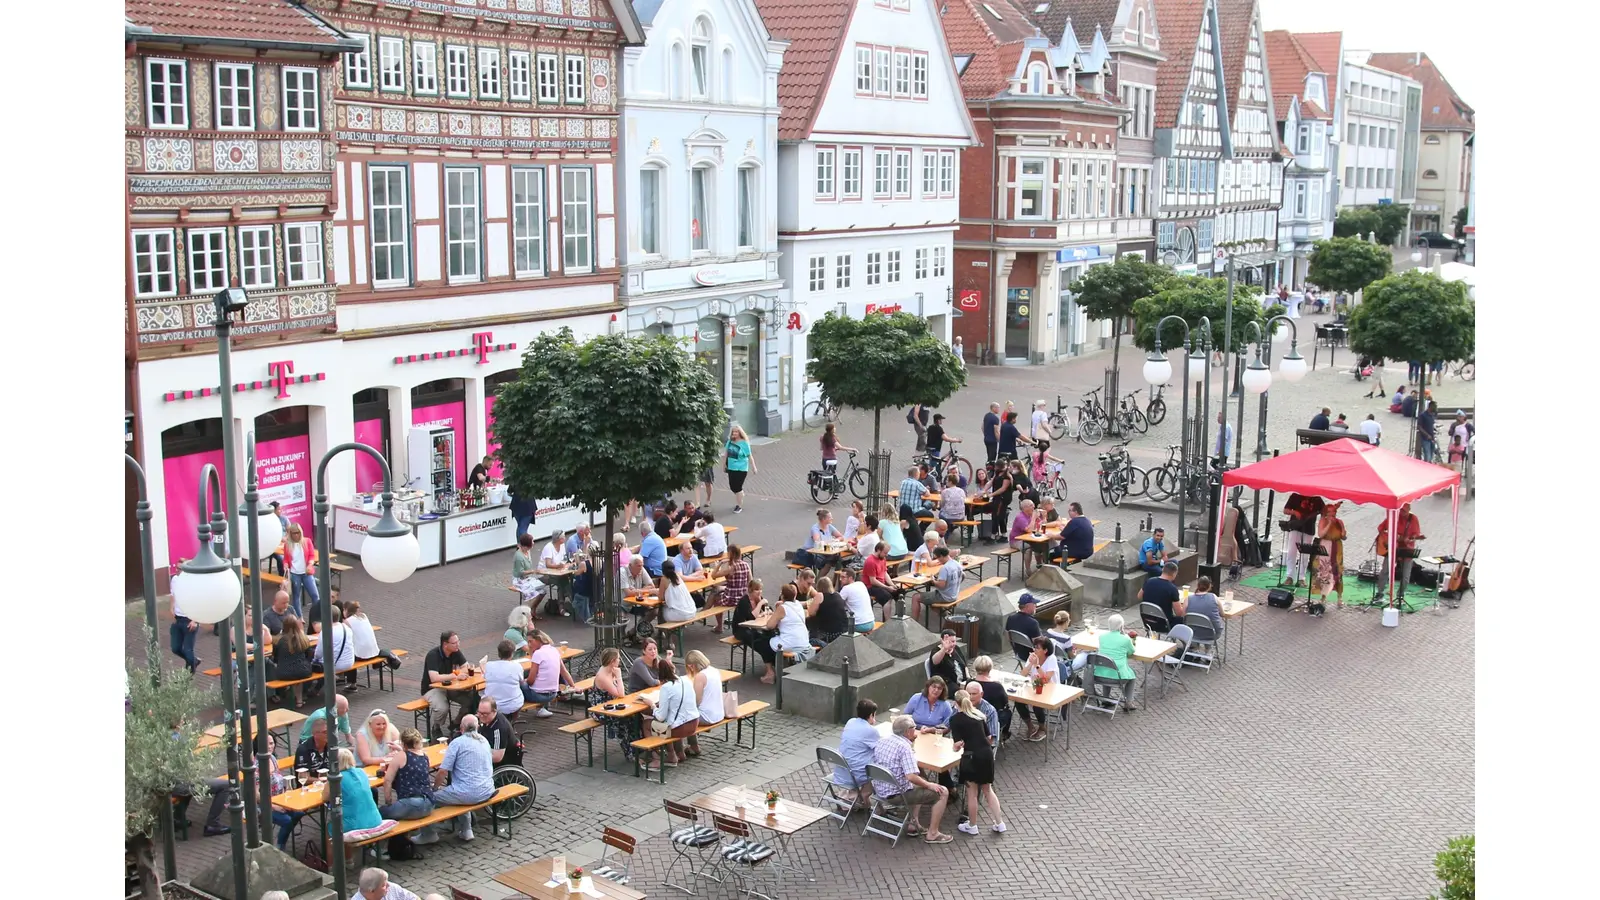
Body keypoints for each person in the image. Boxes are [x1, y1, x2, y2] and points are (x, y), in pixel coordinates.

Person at [870, 715, 953, 843]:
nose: (916, 731)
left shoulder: (882, 741)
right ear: (908, 731)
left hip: (880, 789)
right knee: (943, 792)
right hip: (896, 795)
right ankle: (933, 833)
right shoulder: (904, 747)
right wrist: (929, 785)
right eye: (914, 728)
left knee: (920, 782)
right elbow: (911, 776)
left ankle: (913, 824)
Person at [428, 716, 495, 842]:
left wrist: (434, 788)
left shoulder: (457, 743)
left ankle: (428, 833)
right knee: (459, 790)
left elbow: (443, 771)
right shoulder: (484, 741)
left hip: (467, 794)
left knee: (429, 797)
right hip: (487, 790)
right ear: (477, 727)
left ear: (461, 728)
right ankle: (466, 830)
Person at [950, 688, 1005, 834]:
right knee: (988, 789)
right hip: (986, 755)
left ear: (956, 703)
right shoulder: (979, 716)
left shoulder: (955, 719)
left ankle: (972, 825)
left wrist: (956, 747)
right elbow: (988, 738)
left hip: (971, 757)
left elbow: (957, 744)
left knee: (972, 793)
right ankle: (1000, 823)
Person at [587, 648, 642, 766]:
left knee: (636, 717)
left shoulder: (610, 670)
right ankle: (630, 753)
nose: (619, 661)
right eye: (618, 659)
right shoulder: (603, 676)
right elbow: (621, 694)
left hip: (612, 705)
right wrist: (619, 676)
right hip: (600, 710)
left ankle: (638, 748)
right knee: (623, 721)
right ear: (612, 661)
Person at [325, 748, 384, 855]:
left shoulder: (336, 778)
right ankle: (349, 861)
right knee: (346, 817)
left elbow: (324, 798)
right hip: (375, 819)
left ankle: (331, 868)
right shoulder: (361, 772)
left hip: (356, 824)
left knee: (331, 828)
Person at [378, 728, 435, 826]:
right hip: (429, 804)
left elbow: (387, 781)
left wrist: (388, 802)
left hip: (411, 805)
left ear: (403, 743)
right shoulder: (424, 756)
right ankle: (427, 834)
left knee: (379, 812)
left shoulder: (400, 756)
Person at [650, 660, 701, 770]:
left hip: (680, 729)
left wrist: (653, 707)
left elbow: (661, 716)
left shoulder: (666, 688)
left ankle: (661, 758)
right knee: (673, 719)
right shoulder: (686, 680)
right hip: (694, 723)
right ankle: (679, 753)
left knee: (648, 724)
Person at [420, 631, 470, 738]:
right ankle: (436, 727)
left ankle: (456, 723)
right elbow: (434, 678)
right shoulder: (433, 655)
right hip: (432, 689)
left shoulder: (456, 651)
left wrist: (460, 674)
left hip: (450, 686)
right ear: (445, 644)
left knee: (471, 700)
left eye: (458, 641)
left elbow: (466, 666)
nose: (458, 644)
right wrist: (454, 676)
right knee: (442, 708)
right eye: (454, 643)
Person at [762, 583, 815, 681]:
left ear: (782, 596)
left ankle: (770, 672)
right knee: (774, 640)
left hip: (791, 643)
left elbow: (769, 626)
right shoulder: (798, 604)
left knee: (765, 642)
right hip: (803, 641)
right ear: (795, 595)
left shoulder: (783, 608)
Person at [1376, 502, 1426, 597]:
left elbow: (1416, 534)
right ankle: (1380, 593)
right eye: (1401, 510)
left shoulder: (1413, 519)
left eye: (1405, 510)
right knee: (1385, 571)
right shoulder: (1394, 516)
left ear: (1409, 509)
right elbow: (1380, 528)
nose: (1402, 512)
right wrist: (1387, 537)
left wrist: (1412, 538)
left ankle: (1400, 595)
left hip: (1407, 550)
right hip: (1393, 548)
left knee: (1406, 576)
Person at [1015, 636, 1060, 741]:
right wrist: (1031, 663)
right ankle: (1030, 726)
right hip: (1035, 686)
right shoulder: (1033, 657)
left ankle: (1042, 727)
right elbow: (1022, 675)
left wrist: (1037, 666)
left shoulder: (1051, 659)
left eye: (1037, 648)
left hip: (1051, 689)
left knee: (1036, 703)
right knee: (1018, 700)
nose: (1034, 650)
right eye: (1034, 647)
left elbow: (1047, 679)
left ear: (1045, 650)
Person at [345, 599, 402, 680]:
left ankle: (352, 683)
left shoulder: (347, 622)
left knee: (347, 656)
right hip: (375, 652)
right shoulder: (364, 616)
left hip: (361, 656)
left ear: (346, 610)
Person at [1092, 614, 1139, 711]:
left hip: (1100, 675)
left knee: (1106, 666)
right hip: (1118, 678)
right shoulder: (1125, 639)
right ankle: (1128, 702)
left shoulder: (1102, 637)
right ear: (1121, 626)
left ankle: (1105, 698)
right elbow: (1131, 651)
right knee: (1132, 676)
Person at [836, 699, 881, 800]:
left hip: (842, 771)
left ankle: (857, 800)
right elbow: (880, 749)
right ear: (871, 715)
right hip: (856, 775)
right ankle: (859, 800)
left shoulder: (850, 722)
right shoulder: (871, 731)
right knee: (880, 767)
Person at [684, 650, 724, 758]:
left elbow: (696, 700)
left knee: (683, 715)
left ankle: (690, 746)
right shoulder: (714, 670)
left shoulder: (700, 676)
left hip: (707, 716)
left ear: (691, 666)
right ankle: (692, 746)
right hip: (719, 713)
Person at [1309, 502, 1347, 615]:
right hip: (1325, 546)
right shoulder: (1322, 521)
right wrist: (1329, 524)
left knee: (1337, 572)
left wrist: (1344, 534)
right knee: (1324, 572)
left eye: (1334, 512)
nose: (1332, 514)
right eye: (1329, 512)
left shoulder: (1339, 522)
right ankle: (1323, 597)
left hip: (1337, 548)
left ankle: (1339, 597)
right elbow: (1320, 534)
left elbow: (1344, 536)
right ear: (1325, 513)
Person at [525, 630, 575, 714]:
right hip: (553, 694)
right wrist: (573, 686)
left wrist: (524, 681)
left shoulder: (538, 654)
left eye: (531, 641)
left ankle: (510, 710)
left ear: (539, 639)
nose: (529, 645)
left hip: (538, 696)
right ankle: (542, 710)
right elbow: (564, 672)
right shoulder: (554, 650)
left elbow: (530, 681)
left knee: (518, 683)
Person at [270, 615, 315, 702]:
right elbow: (309, 654)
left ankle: (282, 694)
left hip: (284, 673)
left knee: (275, 667)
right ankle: (299, 700)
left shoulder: (279, 641)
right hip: (303, 671)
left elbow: (276, 658)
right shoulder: (303, 638)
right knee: (298, 671)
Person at [280, 523, 319, 619]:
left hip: (306, 572)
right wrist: (285, 564)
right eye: (294, 533)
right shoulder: (287, 545)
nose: (296, 535)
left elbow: (311, 555)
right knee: (296, 596)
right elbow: (285, 558)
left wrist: (310, 564)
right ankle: (299, 617)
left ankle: (316, 615)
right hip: (294, 573)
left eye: (297, 533)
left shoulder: (307, 541)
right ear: (290, 534)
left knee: (315, 595)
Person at [709, 543, 750, 634]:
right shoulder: (746, 565)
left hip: (731, 598)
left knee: (716, 599)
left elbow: (713, 575)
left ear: (730, 554)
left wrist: (720, 563)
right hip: (743, 597)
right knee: (719, 589)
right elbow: (750, 582)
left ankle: (719, 626)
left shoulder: (730, 568)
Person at [970, 657, 1013, 740]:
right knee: (1008, 712)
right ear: (990, 669)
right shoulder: (997, 687)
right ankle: (1004, 733)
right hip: (990, 719)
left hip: (971, 714)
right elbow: (1005, 702)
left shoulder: (970, 683)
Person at [481, 640, 527, 715]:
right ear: (512, 654)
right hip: (512, 706)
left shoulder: (488, 665)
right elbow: (521, 681)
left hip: (491, 705)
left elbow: (484, 677)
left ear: (499, 653)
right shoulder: (517, 666)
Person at [1138, 561, 1184, 630]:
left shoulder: (1149, 581)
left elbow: (1139, 596)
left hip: (1147, 621)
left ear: (1163, 570)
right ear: (1174, 573)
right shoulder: (1172, 589)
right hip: (1164, 624)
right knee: (1183, 619)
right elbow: (1179, 613)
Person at [476, 697, 520, 767]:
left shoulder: (499, 729)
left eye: (485, 714)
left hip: (503, 762)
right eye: (479, 712)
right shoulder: (487, 719)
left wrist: (476, 757)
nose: (481, 716)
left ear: (494, 711)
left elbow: (497, 757)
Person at [807, 575, 850, 645]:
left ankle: (811, 640)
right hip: (843, 630)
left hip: (829, 633)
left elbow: (811, 613)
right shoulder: (838, 595)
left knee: (810, 621)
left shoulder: (820, 595)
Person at [723, 424, 755, 514]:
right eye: (733, 432)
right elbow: (726, 454)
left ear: (740, 433)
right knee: (732, 486)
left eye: (736, 432)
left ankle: (739, 505)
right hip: (731, 467)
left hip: (741, 468)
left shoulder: (744, 443)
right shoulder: (730, 442)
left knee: (738, 486)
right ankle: (740, 495)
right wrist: (724, 465)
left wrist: (754, 467)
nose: (735, 433)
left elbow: (749, 456)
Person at [926, 547, 962, 624]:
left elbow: (941, 585)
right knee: (931, 602)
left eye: (938, 558)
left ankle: (914, 623)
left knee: (916, 597)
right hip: (955, 594)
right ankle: (946, 616)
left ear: (941, 556)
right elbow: (963, 575)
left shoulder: (944, 568)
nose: (938, 560)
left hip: (945, 596)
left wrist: (933, 580)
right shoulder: (957, 564)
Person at [656, 559, 697, 624]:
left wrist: (656, 592)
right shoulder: (678, 576)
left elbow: (660, 598)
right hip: (692, 611)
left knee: (661, 609)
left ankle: (662, 631)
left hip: (681, 615)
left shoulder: (664, 579)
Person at [835, 566, 875, 633]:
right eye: (840, 577)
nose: (840, 579)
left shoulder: (846, 588)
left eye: (843, 577)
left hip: (858, 625)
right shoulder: (861, 584)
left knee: (837, 622)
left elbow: (837, 604)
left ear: (850, 578)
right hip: (871, 622)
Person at [510, 533, 544, 606]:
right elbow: (520, 572)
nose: (533, 543)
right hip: (519, 579)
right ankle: (529, 608)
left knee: (543, 589)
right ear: (527, 544)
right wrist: (533, 571)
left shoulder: (528, 551)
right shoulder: (519, 557)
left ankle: (532, 609)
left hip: (526, 577)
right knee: (535, 590)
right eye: (532, 541)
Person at [1006, 594, 1043, 661]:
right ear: (1027, 606)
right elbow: (1039, 645)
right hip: (1032, 657)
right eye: (1034, 604)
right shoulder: (1033, 623)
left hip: (1019, 654)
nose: (1036, 606)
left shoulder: (1010, 618)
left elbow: (1008, 637)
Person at [861, 539, 895, 613]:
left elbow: (885, 573)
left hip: (880, 584)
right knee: (887, 597)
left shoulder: (882, 558)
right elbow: (873, 581)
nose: (886, 555)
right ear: (879, 550)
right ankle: (887, 621)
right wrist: (887, 587)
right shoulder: (870, 561)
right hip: (870, 587)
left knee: (899, 592)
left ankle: (899, 618)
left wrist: (892, 585)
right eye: (885, 553)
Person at [354, 867, 422, 900]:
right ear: (372, 891)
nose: (388, 885)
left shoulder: (392, 888)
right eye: (383, 885)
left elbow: (414, 898)